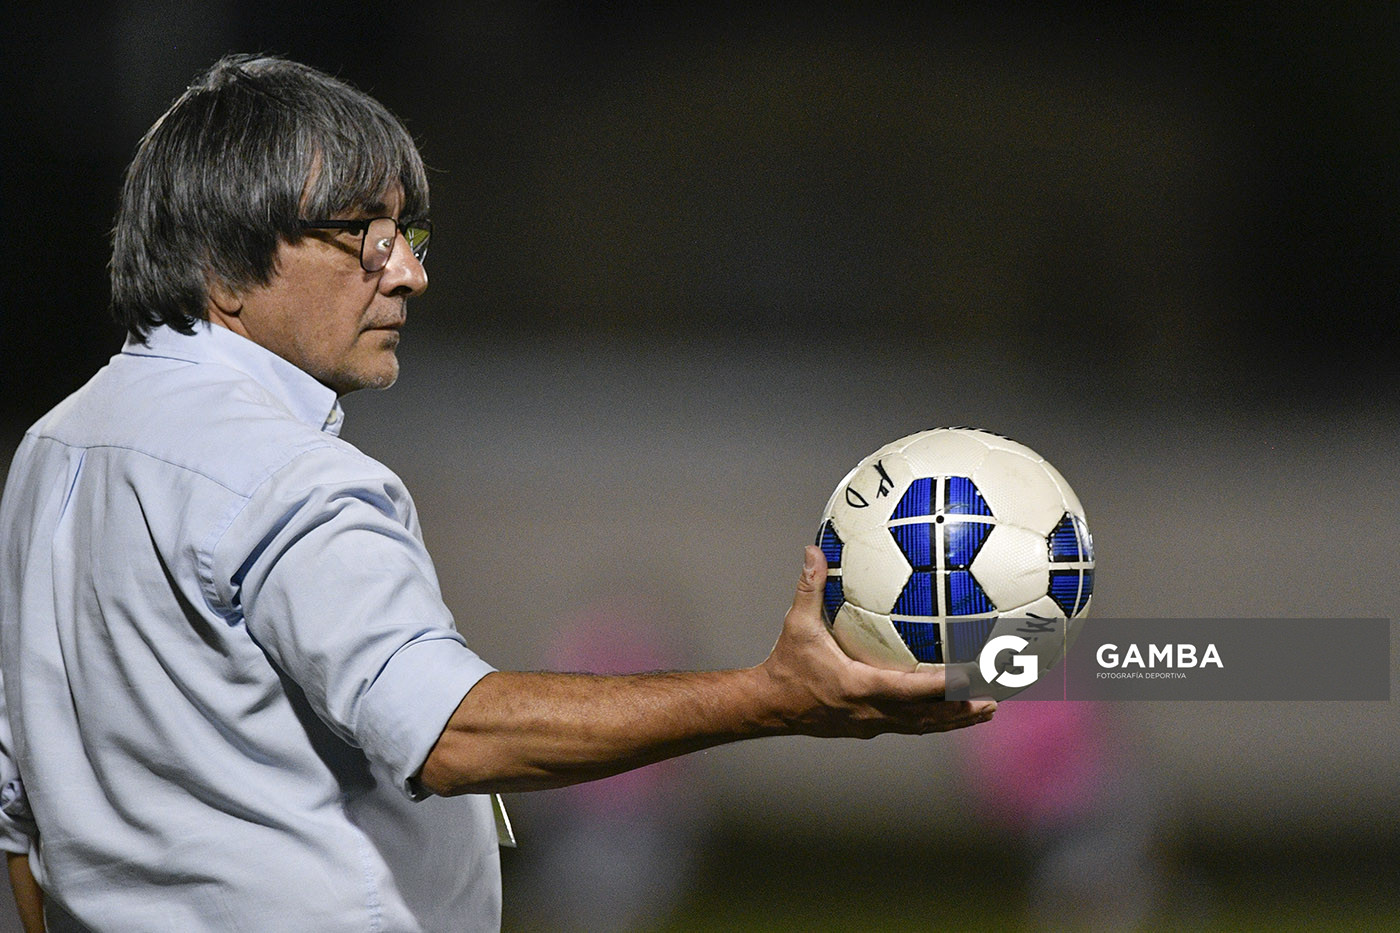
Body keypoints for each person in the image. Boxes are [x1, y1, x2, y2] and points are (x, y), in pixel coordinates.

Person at [0, 54, 996, 932]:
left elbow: (24, 810)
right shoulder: (286, 473)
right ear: (223, 265)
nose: (407, 277)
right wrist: (770, 698)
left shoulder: (55, 450)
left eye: (408, 235)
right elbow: (451, 731)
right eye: (362, 237)